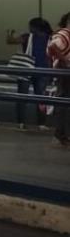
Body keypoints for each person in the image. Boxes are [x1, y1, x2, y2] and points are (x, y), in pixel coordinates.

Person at [49, 13, 70, 149]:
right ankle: (61, 135)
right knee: (64, 104)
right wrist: (65, 60)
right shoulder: (64, 34)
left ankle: (61, 135)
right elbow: (52, 47)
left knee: (63, 103)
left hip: (65, 73)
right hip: (65, 73)